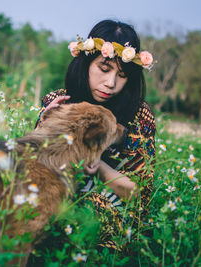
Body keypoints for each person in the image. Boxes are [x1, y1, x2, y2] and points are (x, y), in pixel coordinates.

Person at [35, 19, 156, 251]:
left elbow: (138, 196)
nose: (110, 83)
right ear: (86, 63)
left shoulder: (139, 115)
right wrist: (43, 127)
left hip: (110, 206)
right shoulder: (59, 102)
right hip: (57, 194)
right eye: (104, 68)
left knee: (84, 214)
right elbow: (32, 165)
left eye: (122, 75)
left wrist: (96, 164)